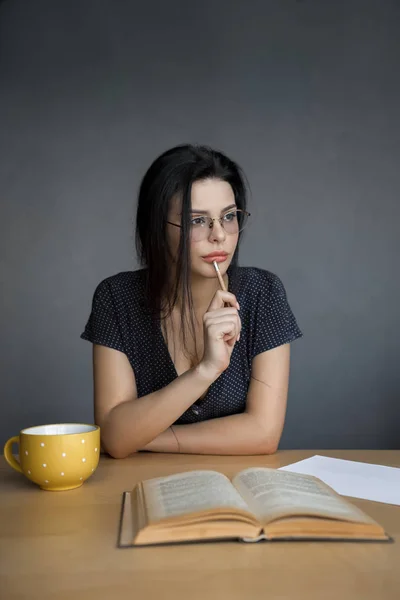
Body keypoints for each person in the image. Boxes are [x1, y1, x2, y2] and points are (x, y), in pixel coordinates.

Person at [81, 144, 302, 457]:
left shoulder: (262, 292)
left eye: (228, 216)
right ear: (158, 228)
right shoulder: (117, 299)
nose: (219, 235)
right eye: (197, 221)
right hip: (145, 487)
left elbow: (264, 435)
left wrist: (142, 438)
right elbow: (115, 436)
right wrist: (206, 370)